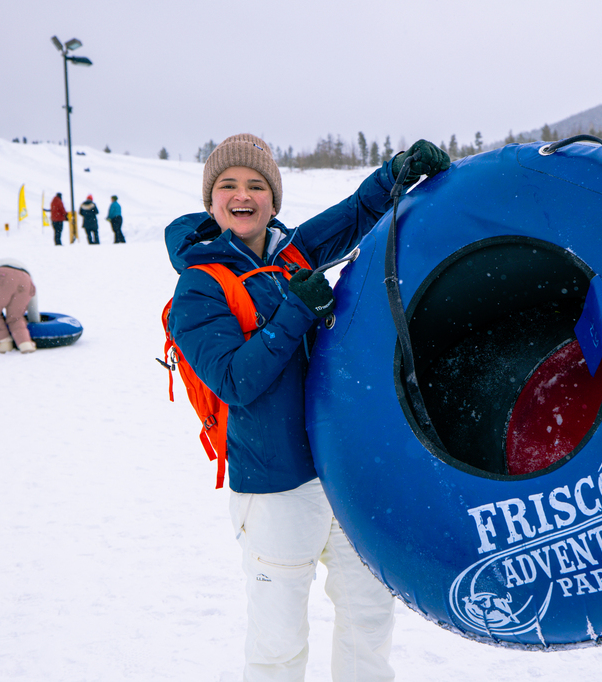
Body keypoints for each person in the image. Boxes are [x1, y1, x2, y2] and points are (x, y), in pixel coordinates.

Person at [165, 134, 449, 681]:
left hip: (343, 475)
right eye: (228, 186)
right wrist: (296, 310)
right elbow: (235, 380)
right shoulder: (198, 288)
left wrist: (397, 172)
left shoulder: (291, 252)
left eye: (256, 185)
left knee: (368, 617)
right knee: (279, 643)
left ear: (273, 200)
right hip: (274, 490)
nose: (242, 195)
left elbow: (356, 215)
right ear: (210, 202)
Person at [0, 257, 40, 354]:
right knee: (16, 316)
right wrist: (35, 322)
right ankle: (25, 343)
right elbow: (33, 302)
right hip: (25, 279)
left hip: (1, 276)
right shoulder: (27, 274)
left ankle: (3, 343)